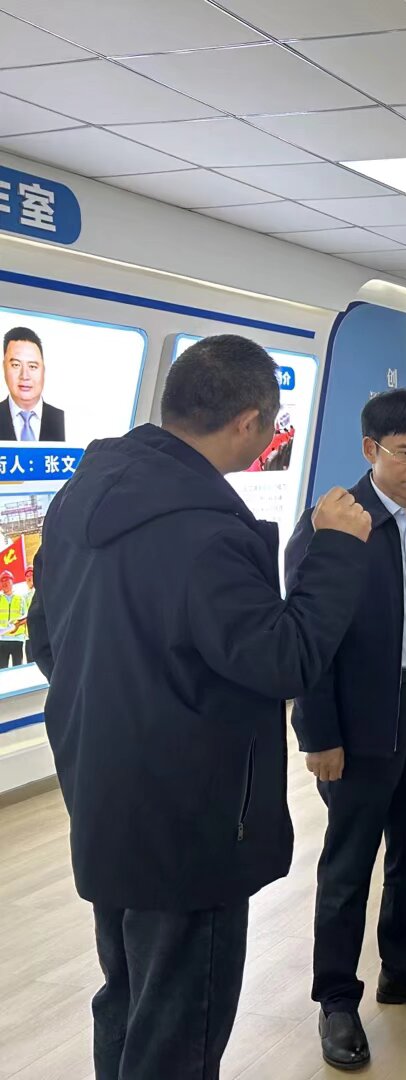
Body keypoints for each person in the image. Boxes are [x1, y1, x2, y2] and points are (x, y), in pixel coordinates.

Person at [29, 334, 371, 1080]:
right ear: (249, 422)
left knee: (129, 995)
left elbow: (46, 640)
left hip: (104, 789)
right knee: (181, 1020)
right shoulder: (207, 530)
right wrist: (336, 549)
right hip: (193, 811)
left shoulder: (81, 496)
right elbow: (284, 660)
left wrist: (137, 702)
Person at [286, 390, 406, 1071]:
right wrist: (318, 735)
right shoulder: (334, 524)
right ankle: (337, 1000)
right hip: (360, 724)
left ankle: (404, 965)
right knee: (349, 865)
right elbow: (309, 642)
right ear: (370, 450)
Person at [1, 326, 65, 441]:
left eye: (32, 366)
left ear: (43, 370)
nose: (24, 376)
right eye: (16, 365)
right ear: (4, 367)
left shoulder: (64, 418)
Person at [0, 569, 27, 666]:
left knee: (18, 668)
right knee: (2, 670)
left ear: (12, 581)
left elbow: (26, 616)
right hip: (2, 640)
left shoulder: (20, 598)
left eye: (7, 580)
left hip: (17, 639)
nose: (4, 583)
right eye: (2, 580)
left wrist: (17, 624)